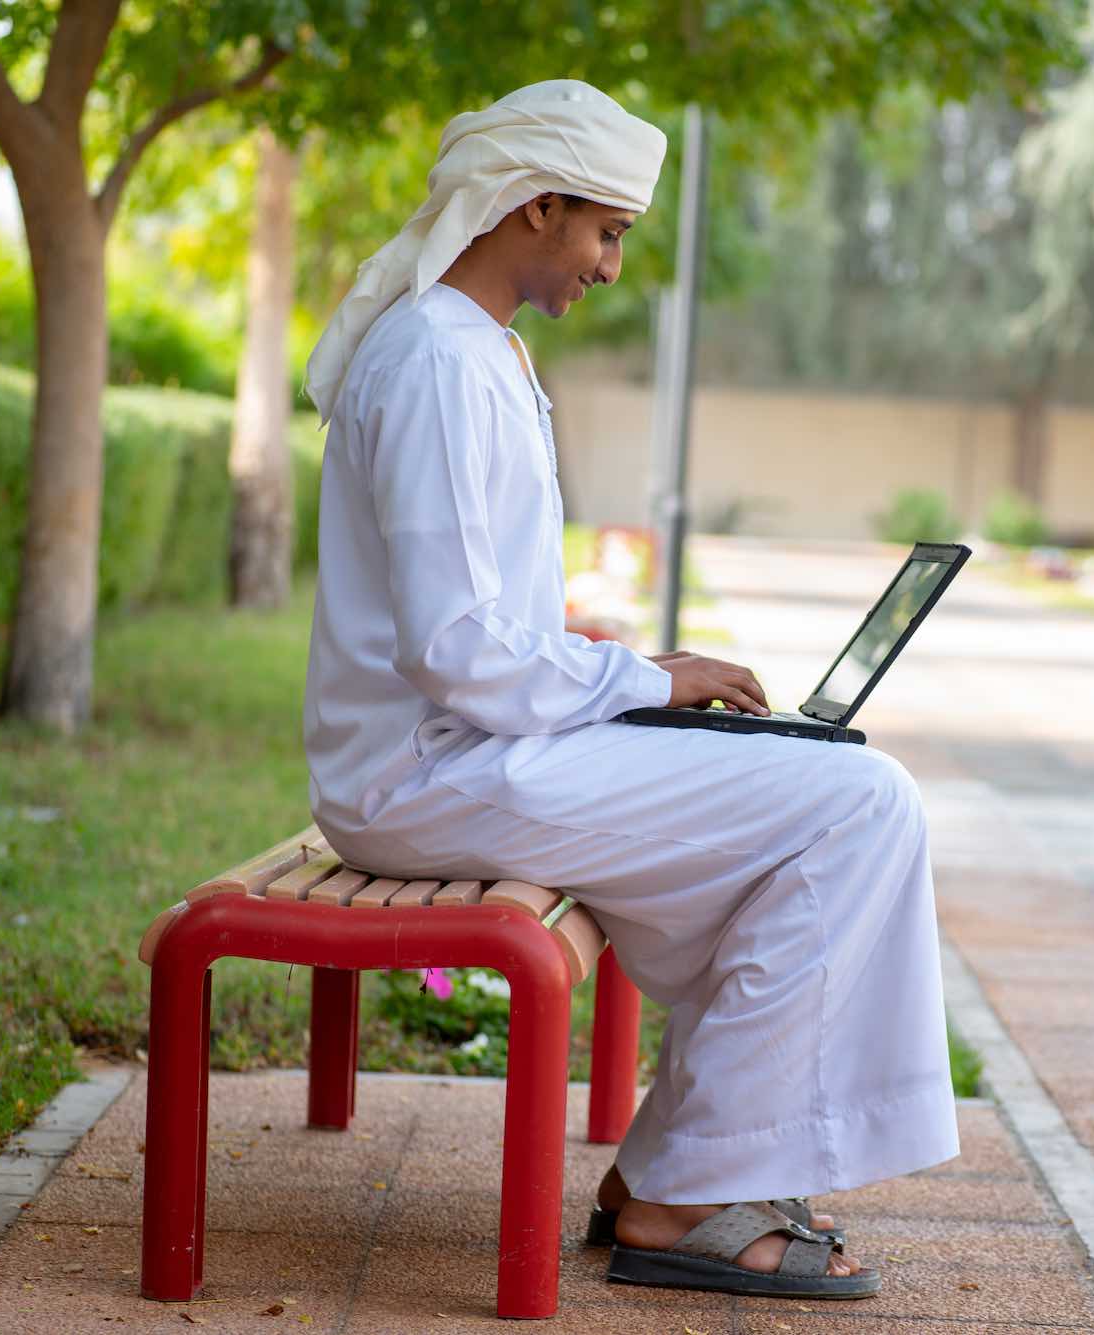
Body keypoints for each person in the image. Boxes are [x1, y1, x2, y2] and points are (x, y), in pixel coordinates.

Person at [300, 80, 957, 1300]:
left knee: (832, 793)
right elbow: (458, 651)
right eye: (605, 232)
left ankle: (675, 1173)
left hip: (464, 753)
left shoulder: (468, 349)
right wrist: (642, 676)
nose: (609, 266)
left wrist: (633, 687)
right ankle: (686, 1193)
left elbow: (475, 633)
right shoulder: (441, 361)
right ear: (533, 205)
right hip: (431, 773)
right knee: (857, 806)